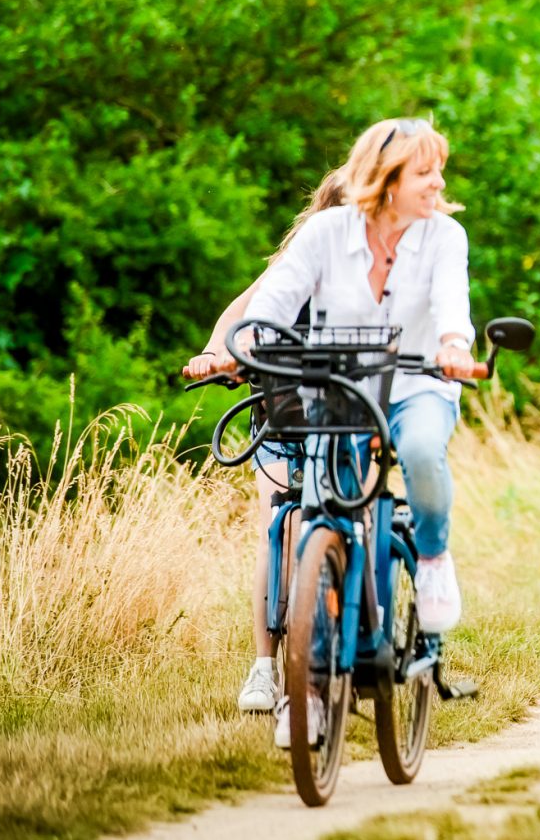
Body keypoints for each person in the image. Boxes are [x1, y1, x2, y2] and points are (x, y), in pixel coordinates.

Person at [234, 117, 477, 746]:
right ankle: (307, 695)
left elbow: (453, 305)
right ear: (387, 180)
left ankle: (431, 558)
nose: (438, 181)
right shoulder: (324, 233)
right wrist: (248, 345)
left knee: (422, 449)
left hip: (419, 383)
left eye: (437, 169)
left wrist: (454, 344)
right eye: (425, 172)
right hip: (338, 390)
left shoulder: (445, 237)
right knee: (315, 514)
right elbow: (275, 301)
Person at [184, 178, 345, 717]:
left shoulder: (376, 270)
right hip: (280, 415)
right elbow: (239, 314)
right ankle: (263, 665)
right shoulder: (293, 264)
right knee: (275, 529)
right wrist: (214, 353)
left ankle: (335, 653)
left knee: (340, 525)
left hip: (343, 419)